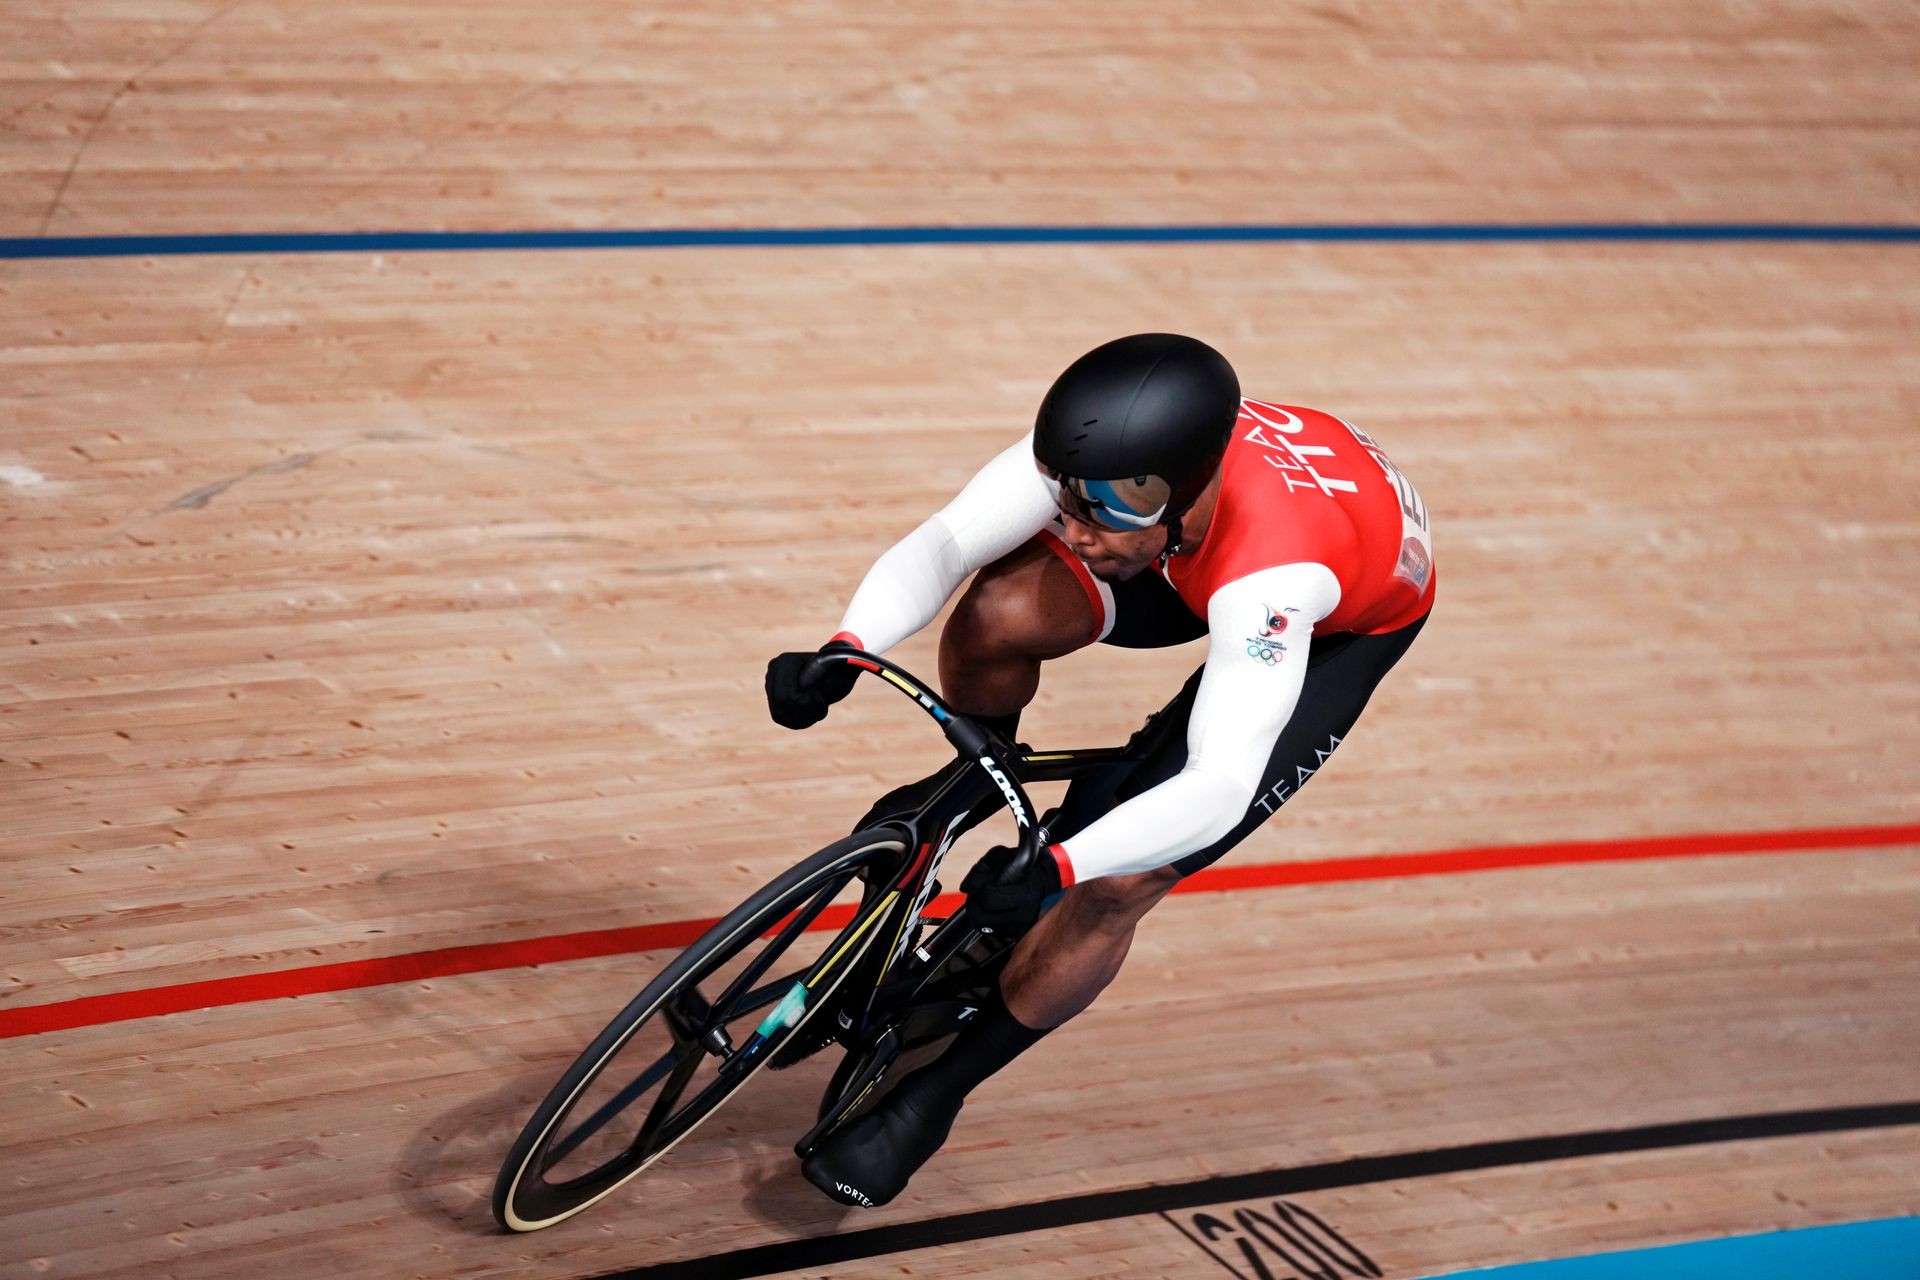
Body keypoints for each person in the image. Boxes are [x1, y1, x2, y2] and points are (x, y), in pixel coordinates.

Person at [764, 333, 1435, 1208]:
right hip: (1193, 553)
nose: (1075, 534)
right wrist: (845, 648)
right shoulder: (1110, 463)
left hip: (1340, 616)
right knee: (999, 609)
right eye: (1067, 504)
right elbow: (946, 543)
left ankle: (933, 1096)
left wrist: (1061, 865)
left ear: (1185, 492)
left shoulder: (1272, 577)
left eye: (1099, 517)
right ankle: (971, 786)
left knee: (1121, 880)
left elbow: (1219, 784)